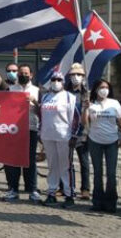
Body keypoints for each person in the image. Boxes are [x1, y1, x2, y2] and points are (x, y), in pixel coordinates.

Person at [39, 71, 80, 208]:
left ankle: (69, 195)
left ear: (63, 82)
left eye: (59, 79)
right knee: (52, 166)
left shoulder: (69, 97)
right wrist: (40, 132)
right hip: (48, 135)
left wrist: (74, 135)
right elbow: (41, 115)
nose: (56, 81)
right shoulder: (45, 97)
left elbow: (76, 118)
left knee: (65, 166)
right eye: (53, 79)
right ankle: (51, 193)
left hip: (64, 136)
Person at [84, 79, 121, 213]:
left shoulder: (115, 103)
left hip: (112, 140)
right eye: (101, 87)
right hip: (95, 140)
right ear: (96, 89)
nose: (104, 90)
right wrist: (85, 108)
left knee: (111, 173)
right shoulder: (91, 104)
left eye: (106, 87)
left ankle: (111, 202)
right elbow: (83, 123)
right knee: (97, 173)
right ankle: (97, 201)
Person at [1, 63, 41, 202]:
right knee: (13, 160)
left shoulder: (37, 90)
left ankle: (32, 190)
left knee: (30, 160)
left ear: (31, 75)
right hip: (14, 130)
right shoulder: (10, 89)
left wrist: (34, 101)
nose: (23, 75)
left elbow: (42, 111)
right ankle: (13, 188)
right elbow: (4, 109)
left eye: (26, 73)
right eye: (21, 73)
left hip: (31, 128)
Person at [65, 63, 91, 201]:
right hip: (67, 131)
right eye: (74, 74)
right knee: (66, 162)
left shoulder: (87, 93)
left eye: (79, 75)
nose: (76, 77)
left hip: (83, 132)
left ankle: (85, 189)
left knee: (84, 162)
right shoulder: (64, 92)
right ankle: (66, 186)